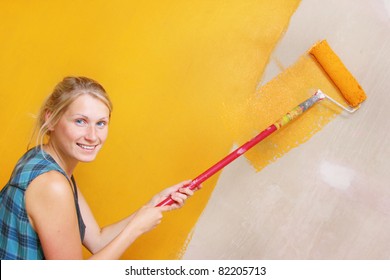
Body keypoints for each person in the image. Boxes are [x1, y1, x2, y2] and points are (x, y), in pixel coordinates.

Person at [0, 76, 199, 260]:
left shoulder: (44, 160)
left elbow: (97, 240)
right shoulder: (52, 185)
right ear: (51, 119)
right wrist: (136, 228)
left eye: (101, 123)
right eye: (80, 121)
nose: (92, 136)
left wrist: (154, 204)